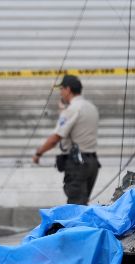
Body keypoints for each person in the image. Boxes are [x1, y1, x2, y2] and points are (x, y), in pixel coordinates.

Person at [32, 75, 100, 205]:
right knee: (82, 205)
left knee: (75, 207)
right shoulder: (91, 107)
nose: (60, 92)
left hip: (78, 165)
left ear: (68, 89)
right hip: (92, 163)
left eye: (61, 89)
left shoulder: (72, 110)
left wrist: (38, 153)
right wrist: (64, 110)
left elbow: (55, 138)